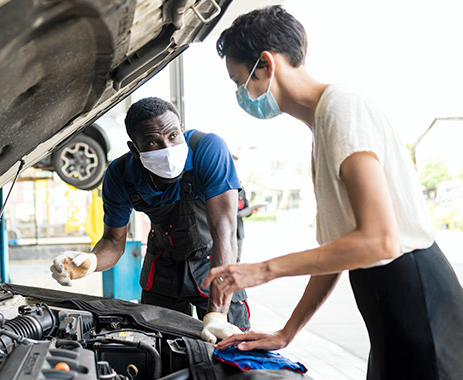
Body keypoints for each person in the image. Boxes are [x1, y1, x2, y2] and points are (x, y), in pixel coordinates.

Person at [201, 5, 463, 380]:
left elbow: (381, 241)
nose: (240, 93)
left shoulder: (343, 107)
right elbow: (338, 251)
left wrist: (263, 270)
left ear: (266, 65)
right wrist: (285, 333)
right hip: (388, 305)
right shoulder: (322, 127)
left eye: (238, 80)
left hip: (418, 300)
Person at [50, 97, 250, 343]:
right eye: (153, 141)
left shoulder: (207, 149)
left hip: (215, 263)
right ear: (135, 149)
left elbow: (225, 230)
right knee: (161, 350)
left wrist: (218, 313)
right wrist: (91, 262)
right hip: (162, 266)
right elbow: (113, 242)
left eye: (174, 135)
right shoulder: (120, 176)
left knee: (234, 351)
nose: (167, 148)